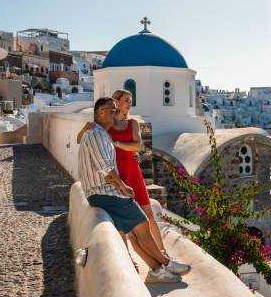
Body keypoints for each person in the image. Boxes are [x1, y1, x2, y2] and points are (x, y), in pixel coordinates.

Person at [78, 97, 190, 283]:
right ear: (101, 113)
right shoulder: (97, 134)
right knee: (142, 225)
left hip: (102, 192)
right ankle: (166, 263)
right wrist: (124, 188)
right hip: (106, 193)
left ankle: (156, 270)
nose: (116, 113)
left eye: (116, 109)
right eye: (112, 110)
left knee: (134, 232)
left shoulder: (99, 133)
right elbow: (105, 168)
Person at [78, 90, 166, 254]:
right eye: (126, 100)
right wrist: (84, 129)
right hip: (114, 172)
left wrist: (115, 142)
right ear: (116, 102)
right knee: (120, 222)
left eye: (131, 100)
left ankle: (162, 251)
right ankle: (126, 256)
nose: (129, 103)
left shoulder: (132, 123)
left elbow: (137, 146)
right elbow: (80, 140)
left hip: (131, 169)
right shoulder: (105, 124)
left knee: (148, 214)